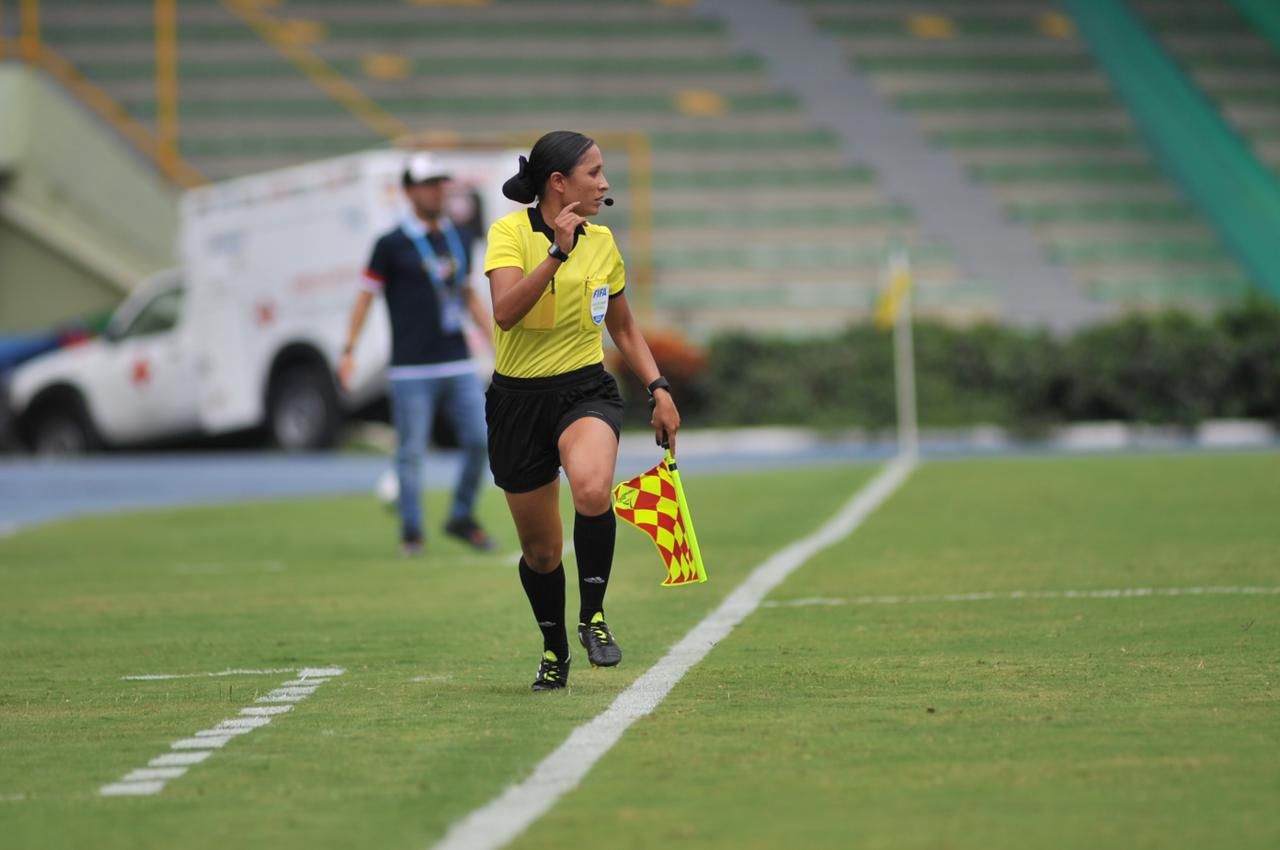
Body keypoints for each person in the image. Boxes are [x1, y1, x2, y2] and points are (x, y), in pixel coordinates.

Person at [484, 131, 680, 691]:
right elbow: (505, 313)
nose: (605, 183)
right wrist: (555, 254)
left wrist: (659, 388)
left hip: (584, 391)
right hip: (518, 403)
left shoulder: (604, 242)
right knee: (542, 553)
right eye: (593, 172)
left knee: (593, 489)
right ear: (557, 183)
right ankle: (554, 650)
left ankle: (593, 617)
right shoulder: (509, 234)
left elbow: (623, 326)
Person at [339, 153, 496, 556]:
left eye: (441, 183)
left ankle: (461, 515)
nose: (437, 190)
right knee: (410, 453)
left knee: (480, 441)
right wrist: (349, 350)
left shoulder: (459, 235)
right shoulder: (390, 244)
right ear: (409, 191)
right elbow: (364, 298)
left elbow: (465, 295)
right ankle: (412, 533)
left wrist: (498, 343)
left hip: (458, 360)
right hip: (410, 368)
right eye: (428, 184)